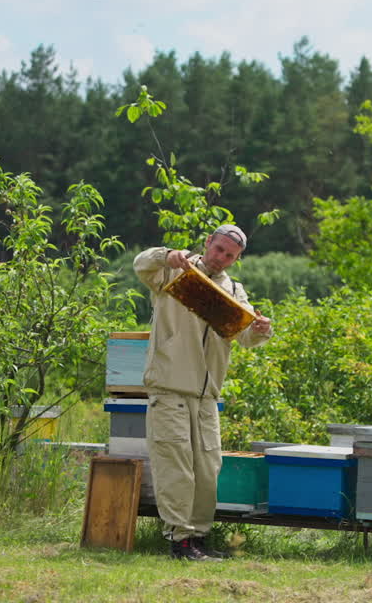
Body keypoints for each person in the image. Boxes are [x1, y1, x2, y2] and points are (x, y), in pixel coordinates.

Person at [133, 223, 273, 561]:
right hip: (169, 388)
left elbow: (245, 337)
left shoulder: (233, 290)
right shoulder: (173, 271)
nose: (221, 257)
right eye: (219, 248)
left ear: (236, 259)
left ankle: (197, 539)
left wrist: (261, 330)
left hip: (207, 395)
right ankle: (179, 542)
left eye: (230, 255)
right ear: (208, 242)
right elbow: (140, 264)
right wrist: (168, 255)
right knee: (177, 468)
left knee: (208, 468)